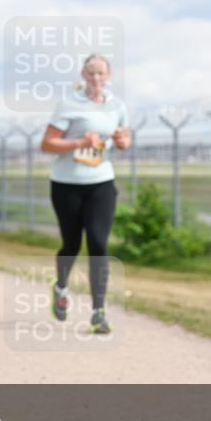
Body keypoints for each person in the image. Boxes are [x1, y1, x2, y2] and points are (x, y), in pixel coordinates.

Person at [40, 54, 130, 335]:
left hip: (101, 182)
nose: (96, 79)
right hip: (66, 184)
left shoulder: (117, 106)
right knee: (71, 245)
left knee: (98, 242)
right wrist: (80, 141)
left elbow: (124, 139)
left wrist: (121, 141)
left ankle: (98, 311)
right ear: (83, 74)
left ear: (109, 76)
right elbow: (47, 144)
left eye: (101, 73)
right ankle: (61, 286)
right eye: (91, 73)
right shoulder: (69, 104)